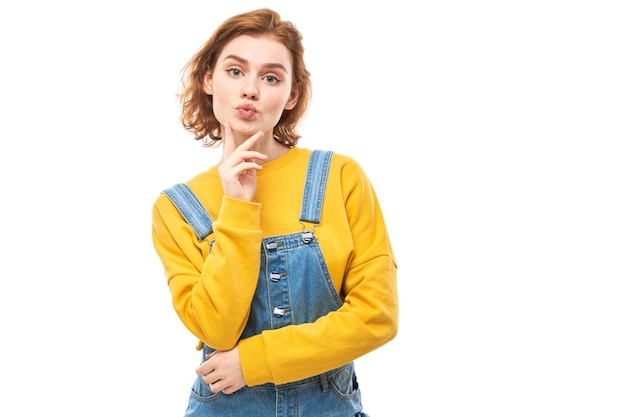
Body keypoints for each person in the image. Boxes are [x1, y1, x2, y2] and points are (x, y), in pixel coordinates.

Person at [151, 8, 398, 417]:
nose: (251, 90)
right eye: (235, 71)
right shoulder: (176, 207)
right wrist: (237, 204)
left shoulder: (339, 177)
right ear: (208, 79)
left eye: (271, 77)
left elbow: (378, 316)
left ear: (292, 95)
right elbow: (216, 329)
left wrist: (253, 362)